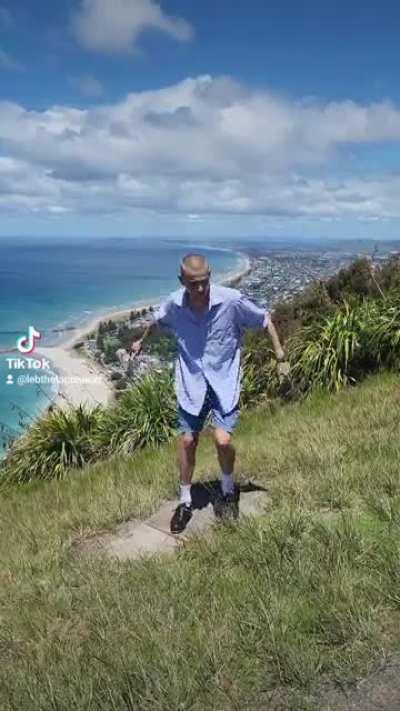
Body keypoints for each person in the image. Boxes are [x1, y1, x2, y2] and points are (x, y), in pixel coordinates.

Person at [130, 253, 287, 534]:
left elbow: (265, 319)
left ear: (210, 276)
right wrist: (140, 341)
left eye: (204, 282)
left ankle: (228, 491)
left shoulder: (231, 301)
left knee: (223, 440)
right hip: (191, 382)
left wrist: (280, 355)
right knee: (187, 441)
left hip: (224, 381)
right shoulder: (174, 305)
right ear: (182, 282)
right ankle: (185, 501)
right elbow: (156, 321)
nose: (200, 289)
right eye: (193, 284)